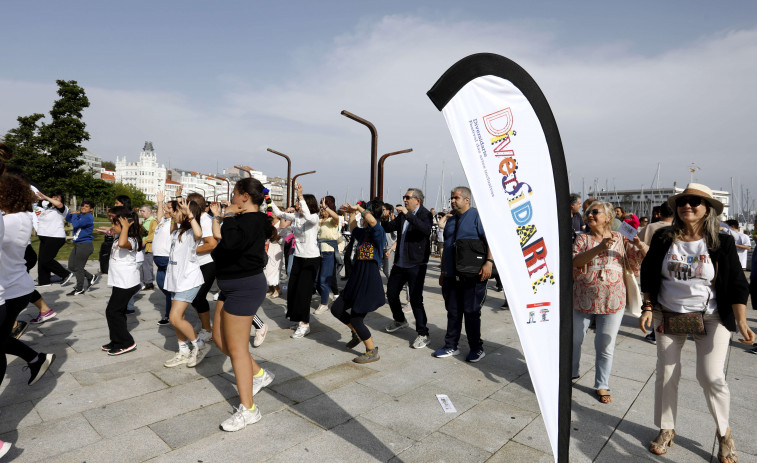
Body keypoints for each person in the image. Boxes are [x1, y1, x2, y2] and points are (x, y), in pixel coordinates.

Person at [639, 183, 754, 461]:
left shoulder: (721, 241)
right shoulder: (665, 237)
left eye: (695, 202)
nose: (687, 206)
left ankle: (724, 432)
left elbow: (737, 284)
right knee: (667, 372)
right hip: (669, 314)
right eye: (683, 201)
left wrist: (741, 321)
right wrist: (647, 306)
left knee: (711, 377)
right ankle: (667, 428)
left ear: (708, 210)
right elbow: (649, 273)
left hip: (712, 317)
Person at [210, 178, 273, 431]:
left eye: (235, 194)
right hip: (230, 285)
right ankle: (259, 374)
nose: (232, 198)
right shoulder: (242, 220)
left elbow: (231, 243)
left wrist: (226, 215)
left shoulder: (253, 220)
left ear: (245, 196)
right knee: (219, 339)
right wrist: (221, 219)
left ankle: (249, 410)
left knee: (237, 351)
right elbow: (222, 245)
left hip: (245, 287)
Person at [573, 201, 647, 403]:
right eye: (588, 212)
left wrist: (639, 244)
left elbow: (639, 260)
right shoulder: (582, 239)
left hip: (613, 299)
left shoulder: (621, 238)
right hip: (582, 297)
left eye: (595, 212)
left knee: (605, 343)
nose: (589, 215)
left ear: (608, 217)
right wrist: (598, 248)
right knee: (575, 339)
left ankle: (602, 384)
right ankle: (571, 371)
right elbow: (575, 262)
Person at [0, 173, 57, 385]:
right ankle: (36, 359)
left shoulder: (10, 220)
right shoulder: (20, 216)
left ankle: (36, 359)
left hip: (11, 289)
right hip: (16, 286)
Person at [433, 187, 492, 362]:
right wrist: (443, 271)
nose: (452, 201)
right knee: (453, 311)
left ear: (467, 200)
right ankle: (451, 345)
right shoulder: (451, 220)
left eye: (456, 198)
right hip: (452, 275)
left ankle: (477, 348)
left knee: (471, 312)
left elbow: (491, 241)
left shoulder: (477, 217)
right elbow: (448, 247)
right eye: (451, 198)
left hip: (473, 275)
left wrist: (489, 262)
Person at [331, 199, 386, 363]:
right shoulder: (364, 233)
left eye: (365, 213)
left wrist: (359, 208)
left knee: (356, 318)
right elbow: (353, 227)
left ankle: (371, 350)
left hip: (369, 279)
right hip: (356, 277)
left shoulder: (379, 231)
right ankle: (355, 333)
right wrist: (352, 212)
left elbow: (372, 221)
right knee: (337, 309)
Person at [381, 188, 434, 349]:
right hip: (400, 263)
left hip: (416, 264)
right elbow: (389, 228)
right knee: (391, 293)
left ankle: (423, 333)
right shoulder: (403, 216)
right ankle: (400, 319)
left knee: (416, 299)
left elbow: (425, 230)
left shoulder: (425, 214)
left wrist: (408, 215)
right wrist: (384, 218)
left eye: (407, 197)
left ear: (417, 200)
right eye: (403, 197)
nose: (404, 200)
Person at [162, 199, 210, 368]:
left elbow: (199, 234)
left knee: (174, 317)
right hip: (176, 280)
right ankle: (183, 351)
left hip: (188, 280)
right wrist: (166, 205)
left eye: (175, 211)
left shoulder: (191, 233)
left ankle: (200, 345)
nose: (171, 213)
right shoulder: (177, 232)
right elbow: (171, 225)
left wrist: (189, 214)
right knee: (177, 318)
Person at [270, 182, 320, 339]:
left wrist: (300, 195)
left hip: (311, 259)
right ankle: (298, 319)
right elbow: (279, 213)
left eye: (299, 202)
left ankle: (305, 324)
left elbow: (308, 215)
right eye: (298, 202)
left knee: (303, 293)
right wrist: (267, 198)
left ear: (307, 203)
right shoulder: (296, 217)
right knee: (292, 291)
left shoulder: (314, 218)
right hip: (298, 258)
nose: (297, 205)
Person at [101, 206, 142, 355]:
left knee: (112, 311)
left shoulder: (132, 240)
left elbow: (123, 244)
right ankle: (116, 341)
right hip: (119, 282)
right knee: (117, 312)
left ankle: (127, 342)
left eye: (115, 224)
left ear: (125, 226)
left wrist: (124, 227)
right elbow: (115, 234)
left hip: (127, 283)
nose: (112, 226)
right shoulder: (120, 236)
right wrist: (118, 227)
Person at [638, 201, 675, 344]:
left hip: (650, 267)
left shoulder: (651, 227)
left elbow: (637, 242)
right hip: (670, 270)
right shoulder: (678, 229)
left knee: (655, 300)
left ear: (660, 212)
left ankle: (655, 331)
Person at [185, 193, 216, 343]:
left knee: (198, 296)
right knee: (194, 297)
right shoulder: (197, 218)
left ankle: (207, 329)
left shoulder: (205, 220)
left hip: (208, 263)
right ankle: (204, 323)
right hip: (198, 263)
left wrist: (190, 250)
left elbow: (211, 244)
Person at [33, 190, 73, 287]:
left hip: (55, 237)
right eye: (53, 196)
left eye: (57, 197)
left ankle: (65, 274)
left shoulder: (63, 209)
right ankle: (44, 281)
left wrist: (46, 197)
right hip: (44, 237)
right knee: (41, 260)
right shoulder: (46, 208)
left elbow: (59, 204)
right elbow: (35, 205)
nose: (55, 198)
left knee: (47, 260)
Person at [314, 195, 340, 315]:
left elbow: (336, 216)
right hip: (317, 252)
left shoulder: (332, 220)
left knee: (324, 279)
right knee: (316, 280)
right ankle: (326, 297)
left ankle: (324, 304)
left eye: (324, 208)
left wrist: (327, 208)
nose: (322, 210)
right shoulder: (319, 220)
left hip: (328, 252)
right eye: (321, 208)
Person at [65, 200, 98, 296]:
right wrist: (70, 213)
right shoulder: (81, 215)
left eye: (86, 206)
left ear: (91, 209)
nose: (83, 207)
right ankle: (90, 277)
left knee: (78, 267)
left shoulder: (88, 217)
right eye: (82, 206)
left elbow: (76, 224)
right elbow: (68, 219)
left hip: (85, 245)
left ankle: (79, 289)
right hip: (78, 244)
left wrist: (75, 215)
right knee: (71, 266)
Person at [152, 191, 173, 325]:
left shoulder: (173, 223)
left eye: (169, 207)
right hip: (159, 261)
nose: (166, 208)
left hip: (166, 259)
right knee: (161, 285)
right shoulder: (163, 221)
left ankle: (169, 315)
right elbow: (160, 215)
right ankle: (174, 305)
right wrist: (160, 202)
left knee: (169, 289)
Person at [139, 204, 157, 290]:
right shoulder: (144, 221)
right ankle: (142, 282)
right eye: (141, 211)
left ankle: (149, 283)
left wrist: (145, 241)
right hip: (142, 245)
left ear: (149, 212)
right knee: (141, 264)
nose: (141, 213)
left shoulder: (153, 221)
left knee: (147, 265)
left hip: (148, 246)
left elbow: (154, 234)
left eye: (143, 211)